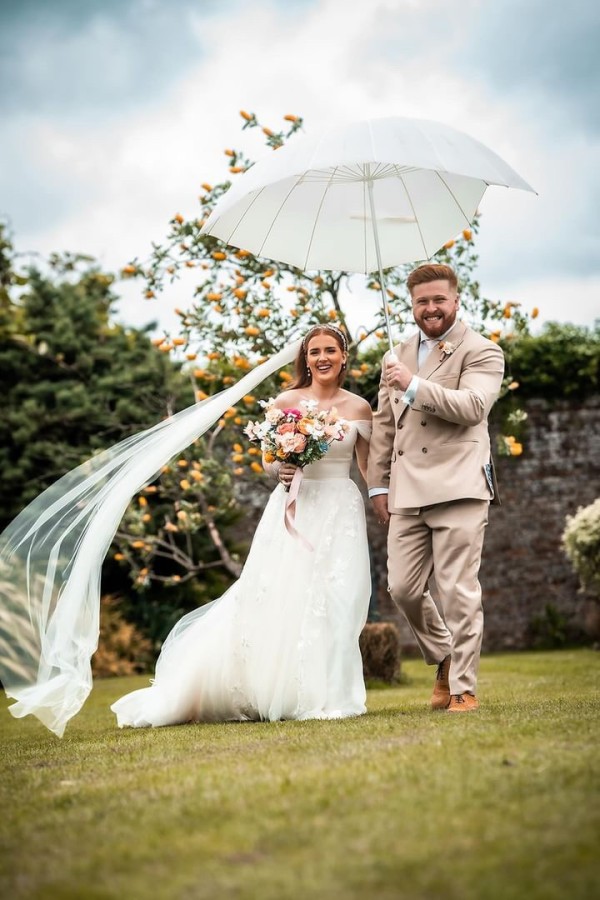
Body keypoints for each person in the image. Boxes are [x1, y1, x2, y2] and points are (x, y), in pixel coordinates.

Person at [111, 324, 373, 726]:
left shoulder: (359, 408)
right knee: (283, 596)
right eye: (314, 351)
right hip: (295, 508)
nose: (322, 358)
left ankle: (332, 693)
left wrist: (383, 499)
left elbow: (367, 465)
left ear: (343, 356)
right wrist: (280, 468)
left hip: (342, 510)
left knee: (339, 598)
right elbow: (269, 459)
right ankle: (277, 689)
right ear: (305, 358)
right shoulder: (287, 401)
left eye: (330, 351)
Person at [368, 263, 504, 712]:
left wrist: (413, 385)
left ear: (455, 300)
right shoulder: (396, 355)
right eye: (422, 301)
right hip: (407, 492)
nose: (431, 309)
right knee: (402, 588)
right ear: (412, 305)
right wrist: (378, 486)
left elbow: (473, 407)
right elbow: (385, 425)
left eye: (438, 300)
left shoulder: (482, 351)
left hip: (459, 485)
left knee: (458, 589)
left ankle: (463, 687)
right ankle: (444, 655)